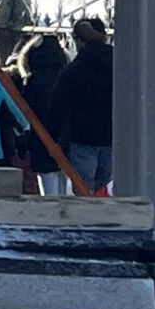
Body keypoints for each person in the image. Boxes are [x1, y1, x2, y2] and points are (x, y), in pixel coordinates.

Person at [53, 17, 114, 193]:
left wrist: (54, 138)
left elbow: (57, 107)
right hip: (112, 136)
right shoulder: (121, 65)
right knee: (107, 187)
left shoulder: (72, 71)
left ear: (79, 41)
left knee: (84, 190)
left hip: (81, 138)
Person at [13, 34, 70, 192]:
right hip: (66, 139)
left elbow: (25, 111)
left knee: (49, 186)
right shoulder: (67, 77)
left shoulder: (32, 82)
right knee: (64, 183)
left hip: (41, 138)